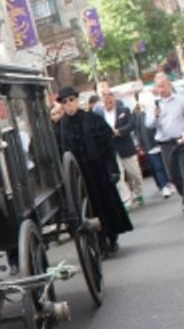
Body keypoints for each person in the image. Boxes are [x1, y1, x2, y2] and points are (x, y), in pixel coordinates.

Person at [54, 86, 133, 253]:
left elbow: (107, 146)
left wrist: (112, 169)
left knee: (105, 204)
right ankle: (99, 241)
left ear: (77, 100)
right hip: (78, 175)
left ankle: (111, 237)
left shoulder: (92, 119)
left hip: (98, 171)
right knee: (89, 209)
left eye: (71, 100)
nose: (69, 104)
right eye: (65, 102)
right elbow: (60, 151)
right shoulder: (61, 126)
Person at [150, 72, 184, 215]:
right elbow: (149, 124)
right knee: (173, 175)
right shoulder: (154, 104)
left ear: (169, 85)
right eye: (158, 87)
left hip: (182, 140)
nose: (161, 89)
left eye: (164, 86)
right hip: (166, 143)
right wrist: (155, 115)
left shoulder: (181, 100)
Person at [99, 89, 143, 208]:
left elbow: (131, 125)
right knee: (118, 175)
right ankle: (126, 199)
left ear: (114, 97)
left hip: (125, 146)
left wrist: (119, 131)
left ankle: (138, 193)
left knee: (135, 174)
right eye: (105, 96)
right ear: (101, 99)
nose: (108, 98)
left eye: (110, 95)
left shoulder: (124, 111)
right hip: (111, 149)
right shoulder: (99, 115)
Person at [133, 99, 171, 196]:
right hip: (150, 146)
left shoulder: (160, 112)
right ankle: (163, 186)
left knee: (167, 165)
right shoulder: (140, 116)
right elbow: (138, 131)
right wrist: (141, 145)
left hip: (162, 142)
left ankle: (169, 182)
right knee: (157, 167)